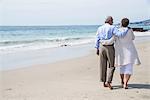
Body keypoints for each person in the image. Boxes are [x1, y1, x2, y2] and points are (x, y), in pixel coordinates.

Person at [101, 18, 141, 89]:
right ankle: (125, 83)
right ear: (128, 24)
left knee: (122, 68)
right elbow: (133, 38)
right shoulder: (130, 30)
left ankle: (122, 81)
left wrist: (103, 43)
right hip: (130, 51)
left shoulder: (117, 30)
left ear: (121, 23)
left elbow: (112, 40)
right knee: (128, 68)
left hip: (120, 52)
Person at [95, 16, 128, 90]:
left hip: (101, 47)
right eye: (112, 20)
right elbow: (120, 34)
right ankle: (108, 82)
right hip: (109, 47)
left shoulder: (99, 28)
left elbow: (97, 38)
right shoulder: (112, 27)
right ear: (109, 21)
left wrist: (97, 48)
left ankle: (104, 82)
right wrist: (126, 29)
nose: (113, 22)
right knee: (111, 65)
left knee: (102, 65)